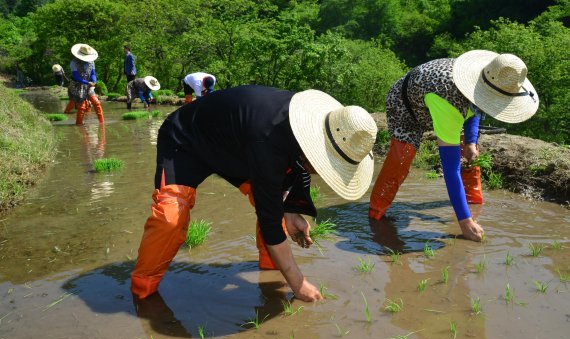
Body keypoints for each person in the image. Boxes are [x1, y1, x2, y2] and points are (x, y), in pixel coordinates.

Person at [131, 85, 377, 302]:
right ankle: (143, 292)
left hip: (236, 148)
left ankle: (270, 270)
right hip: (185, 140)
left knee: (278, 209)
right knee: (170, 218)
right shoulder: (269, 141)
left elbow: (294, 169)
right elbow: (269, 217)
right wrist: (298, 282)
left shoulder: (303, 129)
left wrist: (291, 211)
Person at [369, 50, 539, 242]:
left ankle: (473, 201)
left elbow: (475, 108)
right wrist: (465, 223)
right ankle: (376, 212)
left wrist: (471, 142)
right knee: (402, 157)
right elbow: (450, 169)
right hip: (405, 104)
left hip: (440, 99)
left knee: (469, 152)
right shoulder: (449, 103)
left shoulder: (483, 81)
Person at [68, 43, 105, 125]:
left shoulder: (91, 62)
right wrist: (87, 82)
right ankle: (79, 125)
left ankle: (102, 124)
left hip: (88, 85)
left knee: (97, 103)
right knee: (82, 106)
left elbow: (93, 73)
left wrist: (94, 81)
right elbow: (76, 76)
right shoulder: (74, 62)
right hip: (77, 85)